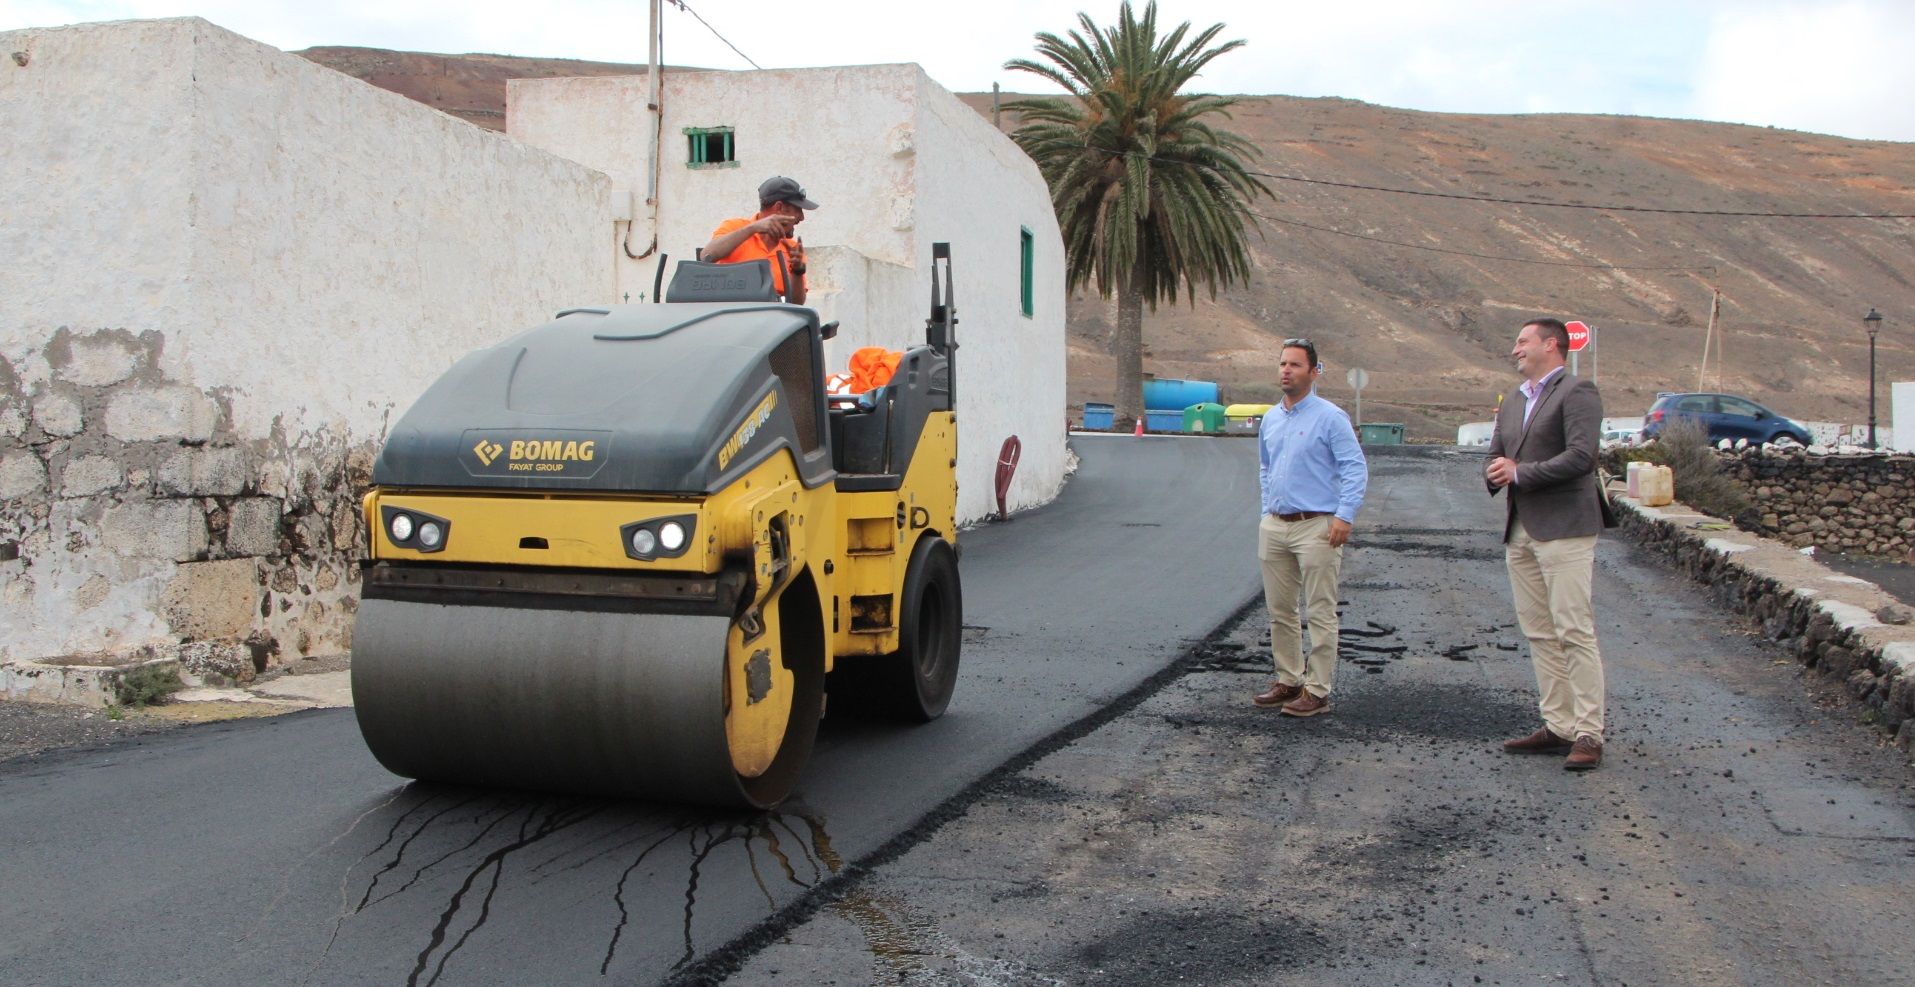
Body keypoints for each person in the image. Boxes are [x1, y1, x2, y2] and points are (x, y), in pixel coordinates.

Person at [1485, 317, 1613, 771]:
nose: (1515, 349)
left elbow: (1582, 457)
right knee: (1539, 630)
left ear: (1551, 345)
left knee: (1573, 629)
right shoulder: (1513, 400)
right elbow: (1497, 453)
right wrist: (1496, 470)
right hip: (1521, 528)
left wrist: (1521, 473)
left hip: (1565, 527)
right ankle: (1558, 724)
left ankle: (1588, 733)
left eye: (1523, 341)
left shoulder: (1577, 392)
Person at [1252, 338, 1368, 718]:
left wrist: (1344, 515)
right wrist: (1268, 509)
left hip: (1317, 525)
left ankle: (1318, 691)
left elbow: (1354, 467)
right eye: (1282, 364)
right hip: (1277, 525)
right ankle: (1289, 679)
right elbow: (1267, 466)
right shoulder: (1270, 418)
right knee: (1280, 610)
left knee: (1320, 610)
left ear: (1314, 372)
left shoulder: (1331, 417)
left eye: (1295, 365)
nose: (1286, 370)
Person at [703, 176, 817, 303]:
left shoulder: (792, 250)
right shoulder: (734, 227)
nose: (801, 217)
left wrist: (798, 271)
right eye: (798, 209)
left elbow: (797, 304)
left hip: (772, 318)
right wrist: (752, 228)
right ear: (779, 207)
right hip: (728, 315)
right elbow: (706, 255)